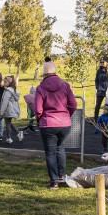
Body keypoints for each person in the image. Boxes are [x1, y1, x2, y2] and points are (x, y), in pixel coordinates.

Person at [35, 61, 77, 189]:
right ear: (55, 71)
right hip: (64, 123)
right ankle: (61, 176)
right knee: (60, 148)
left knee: (50, 153)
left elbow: (38, 109)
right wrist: (66, 115)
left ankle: (54, 181)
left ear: (44, 74)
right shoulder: (65, 85)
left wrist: (39, 118)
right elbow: (73, 104)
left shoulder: (41, 88)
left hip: (48, 123)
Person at [93, 58, 108, 129]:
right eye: (101, 62)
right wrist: (97, 87)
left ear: (107, 62)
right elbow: (96, 80)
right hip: (100, 91)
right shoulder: (99, 71)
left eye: (103, 62)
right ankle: (95, 121)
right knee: (97, 106)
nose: (101, 63)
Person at [0, 75, 21, 144]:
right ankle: (18, 133)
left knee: (7, 124)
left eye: (5, 82)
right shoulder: (14, 91)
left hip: (8, 109)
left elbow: (5, 102)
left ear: (9, 83)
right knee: (8, 122)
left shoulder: (7, 91)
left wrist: (1, 112)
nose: (4, 83)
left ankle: (9, 138)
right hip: (12, 109)